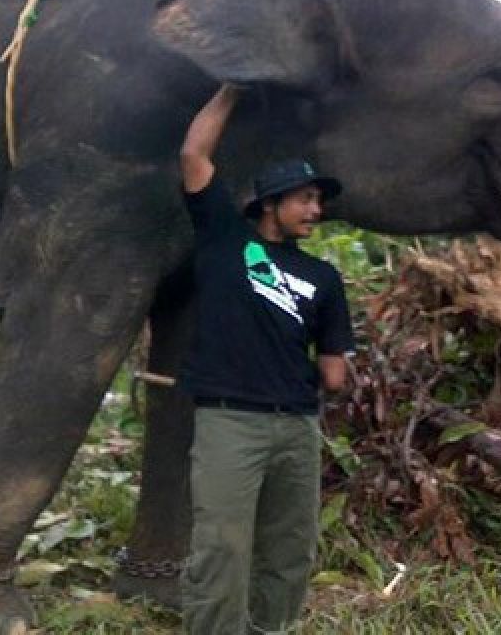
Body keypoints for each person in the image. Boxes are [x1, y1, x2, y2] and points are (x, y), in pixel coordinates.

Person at [178, 84, 353, 634]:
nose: (315, 211)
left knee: (290, 553)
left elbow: (332, 370)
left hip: (298, 429)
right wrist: (231, 90)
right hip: (231, 421)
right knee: (221, 548)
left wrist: (341, 371)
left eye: (318, 202)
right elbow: (193, 156)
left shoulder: (323, 278)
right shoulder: (226, 239)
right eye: (304, 199)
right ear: (270, 204)